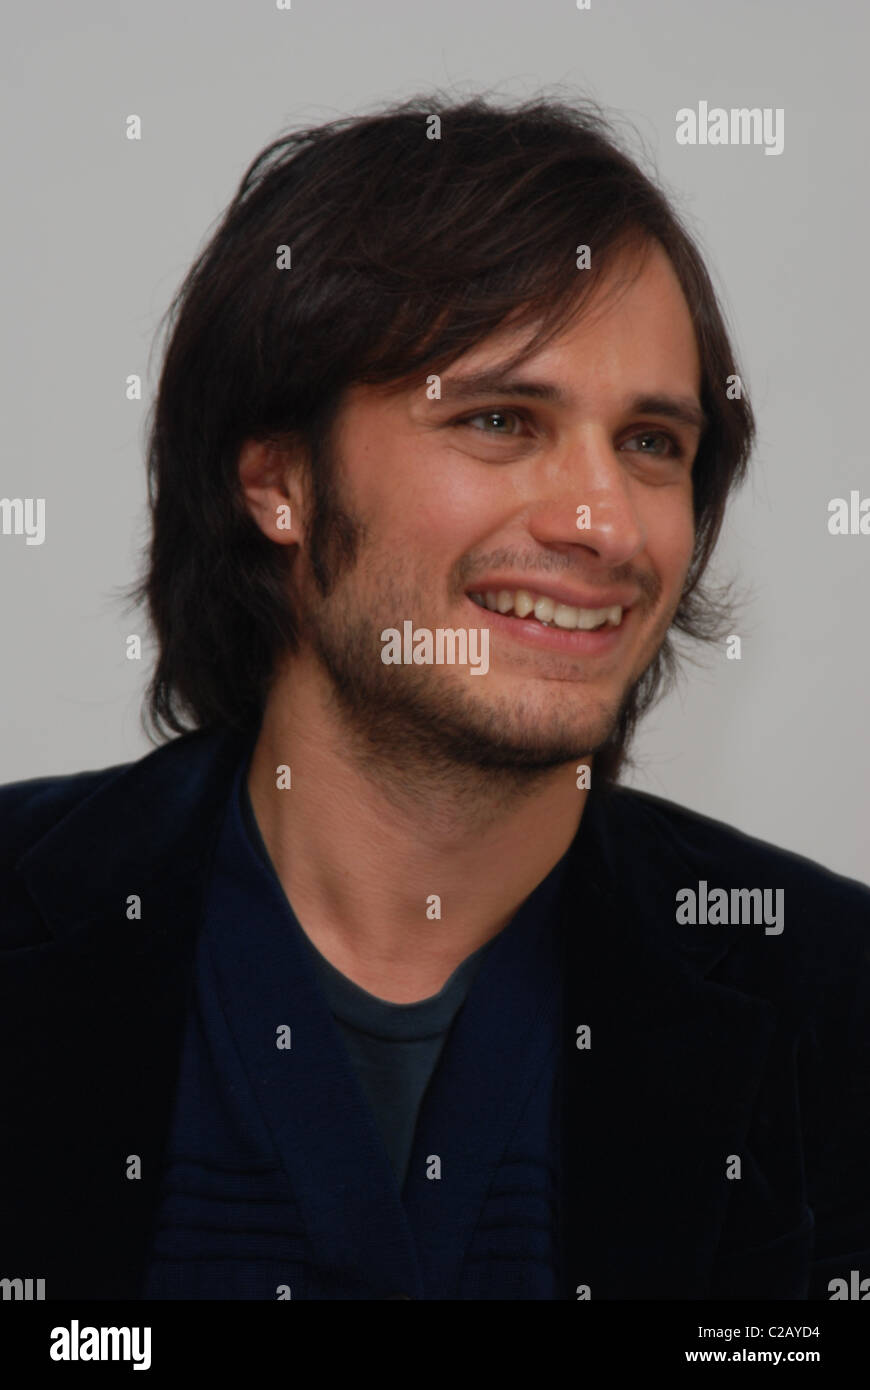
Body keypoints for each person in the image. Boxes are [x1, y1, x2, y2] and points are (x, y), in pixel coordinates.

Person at [1, 94, 867, 1302]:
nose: (604, 523)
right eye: (502, 419)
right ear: (280, 480)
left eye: (653, 444)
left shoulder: (833, 995)